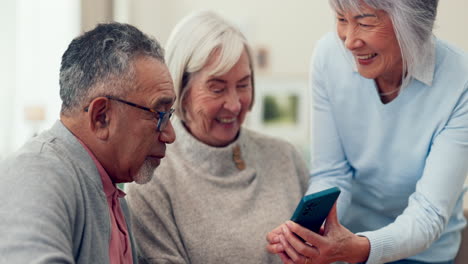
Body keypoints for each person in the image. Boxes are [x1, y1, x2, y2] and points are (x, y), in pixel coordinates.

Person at [266, 0, 468, 263]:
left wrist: (362, 248)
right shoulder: (330, 56)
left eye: (364, 22)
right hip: (347, 239)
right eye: (341, 19)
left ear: (414, 23)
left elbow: (428, 213)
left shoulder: (460, 80)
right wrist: (306, 232)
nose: (349, 41)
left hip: (424, 254)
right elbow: (332, 173)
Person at [125, 10, 309, 264]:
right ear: (181, 89)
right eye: (217, 88)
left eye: (243, 85)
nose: (234, 105)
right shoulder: (151, 178)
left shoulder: (284, 156)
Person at [0, 22, 176, 263]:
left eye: (169, 115)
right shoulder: (37, 173)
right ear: (101, 117)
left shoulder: (112, 196)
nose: (170, 135)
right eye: (159, 114)